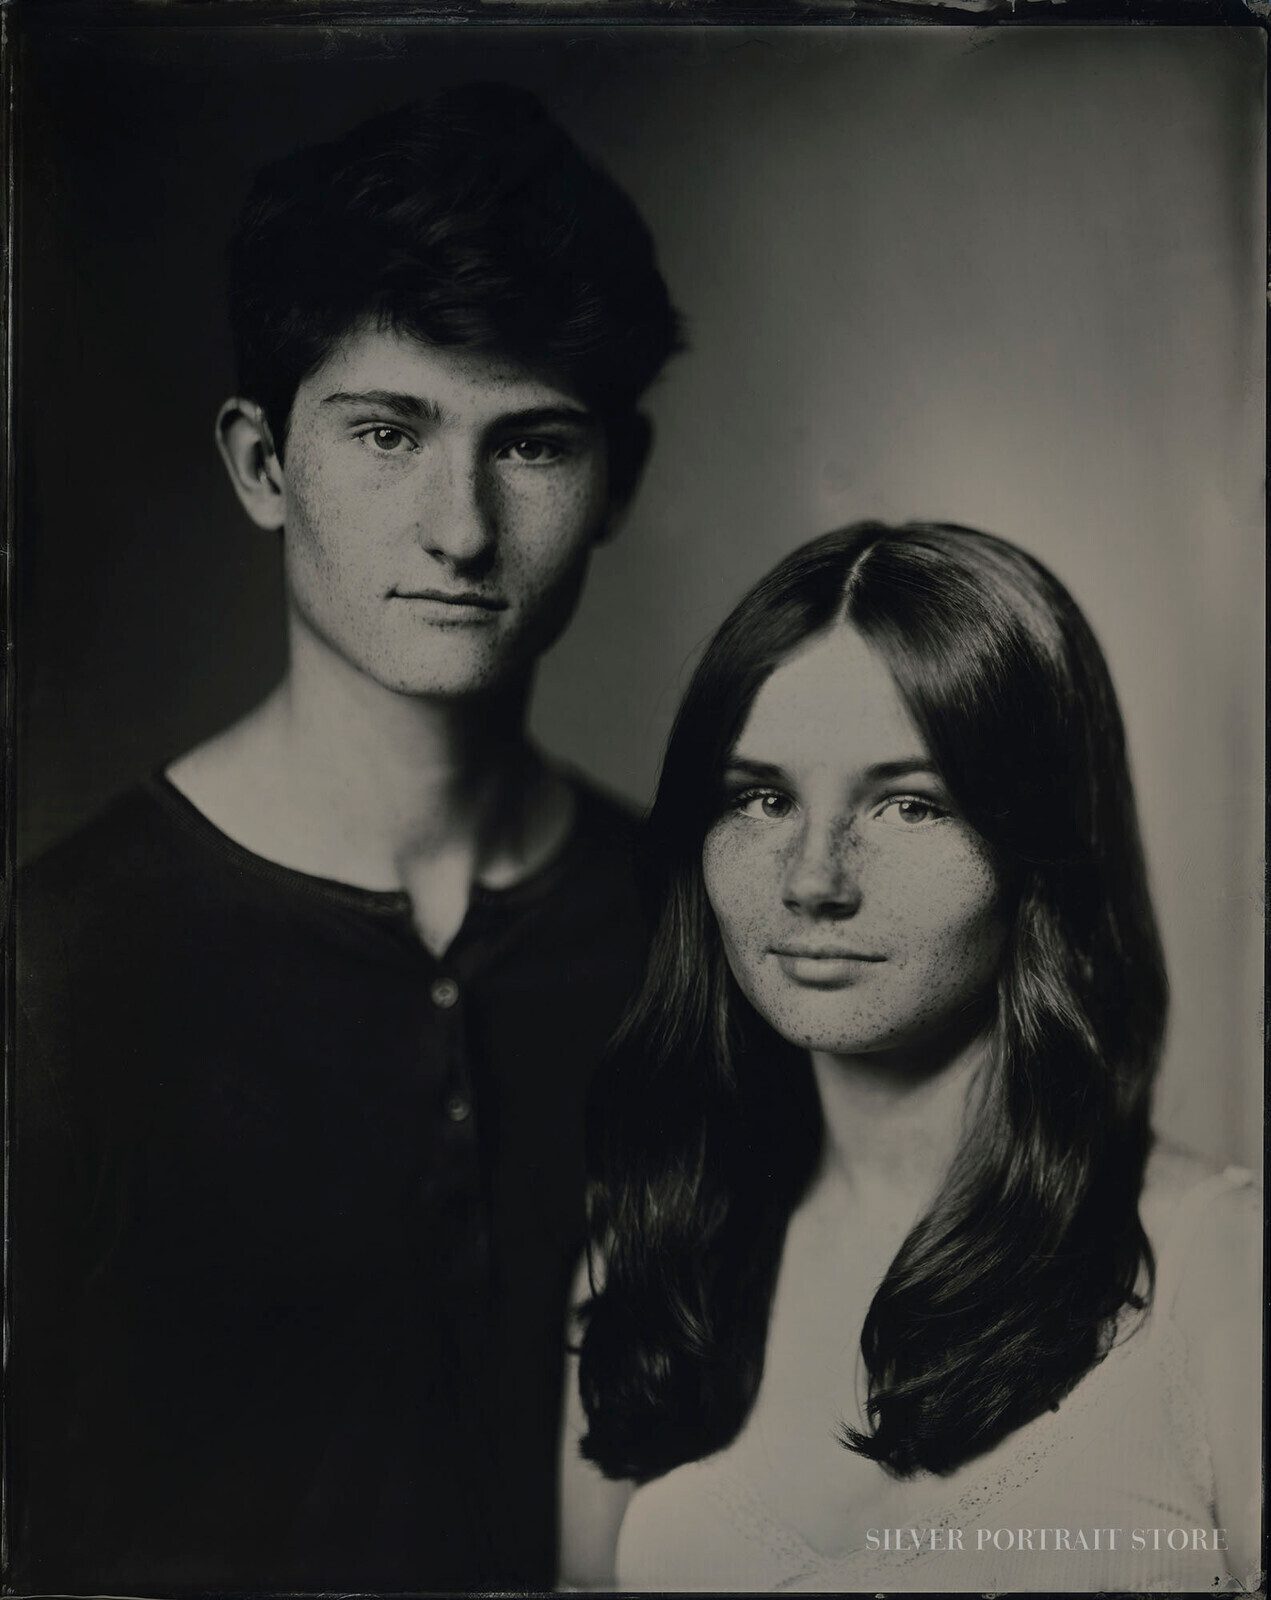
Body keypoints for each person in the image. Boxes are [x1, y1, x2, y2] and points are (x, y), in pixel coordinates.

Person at [10, 84, 680, 1593]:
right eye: (387, 432)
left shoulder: (696, 931)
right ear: (261, 465)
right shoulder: (56, 966)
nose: (457, 528)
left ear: (615, 482)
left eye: (531, 445)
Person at [560, 522, 1260, 1593]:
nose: (811, 879)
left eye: (907, 803)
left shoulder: (1221, 1267)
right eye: (760, 796)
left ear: (1036, 848)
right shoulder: (649, 1252)